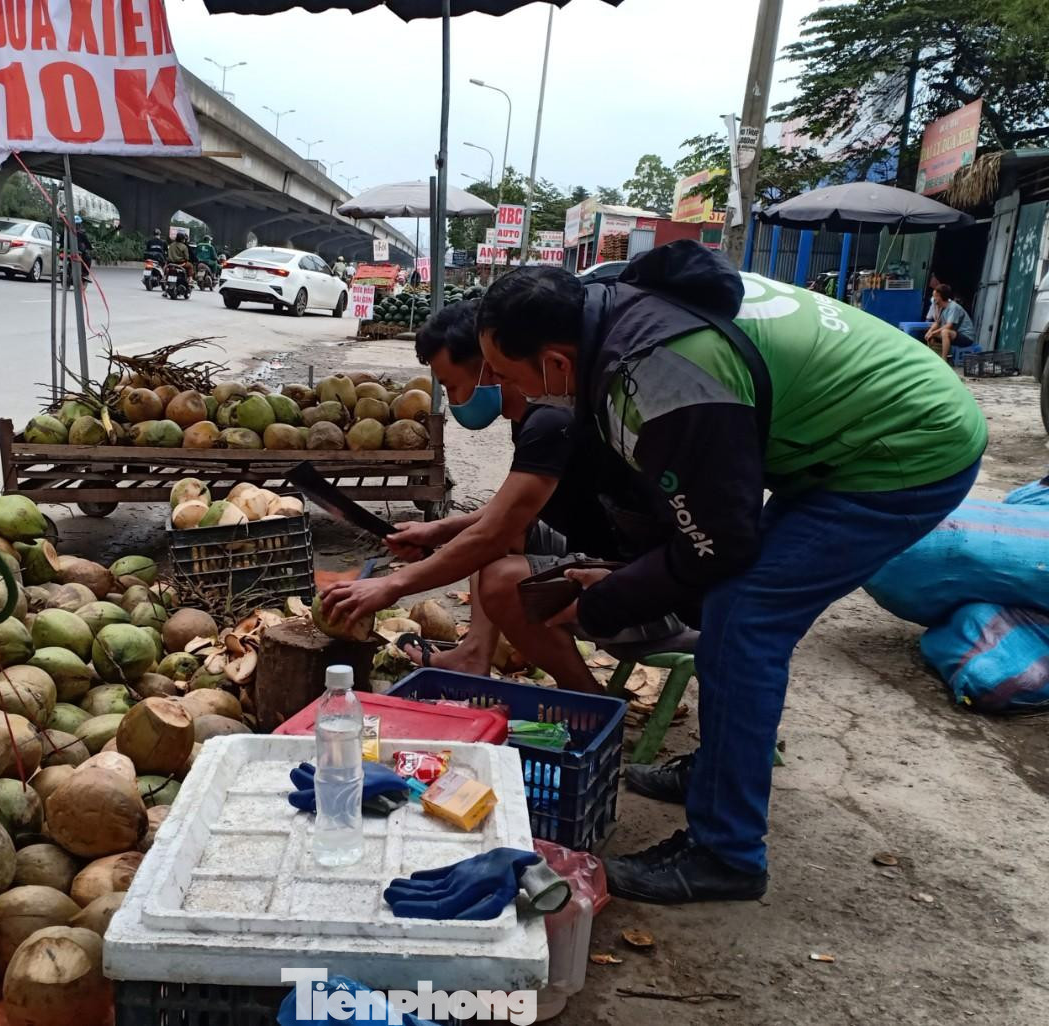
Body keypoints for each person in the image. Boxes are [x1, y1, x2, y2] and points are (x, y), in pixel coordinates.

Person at [476, 242, 987, 904]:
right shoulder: (615, 315)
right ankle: (714, 774)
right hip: (851, 436)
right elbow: (696, 517)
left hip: (909, 446)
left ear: (553, 361)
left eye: (504, 377)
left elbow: (718, 545)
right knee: (729, 605)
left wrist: (608, 602)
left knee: (744, 618)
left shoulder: (662, 376)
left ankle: (725, 853)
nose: (508, 397)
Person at [321, 301, 681, 693]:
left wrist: (391, 585)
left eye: (456, 385)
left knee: (500, 581)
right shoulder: (535, 416)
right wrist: (435, 531)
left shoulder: (550, 420)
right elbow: (511, 515)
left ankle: (585, 696)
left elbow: (495, 529)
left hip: (651, 588)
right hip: (612, 553)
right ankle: (474, 654)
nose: (455, 400)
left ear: (489, 366)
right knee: (502, 539)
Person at [925, 284, 976, 362]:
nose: (933, 299)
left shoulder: (953, 307)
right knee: (931, 334)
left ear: (940, 297)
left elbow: (949, 326)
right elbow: (937, 323)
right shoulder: (941, 308)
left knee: (945, 332)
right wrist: (930, 332)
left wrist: (933, 332)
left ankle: (944, 359)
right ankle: (933, 357)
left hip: (966, 337)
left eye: (934, 296)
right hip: (954, 335)